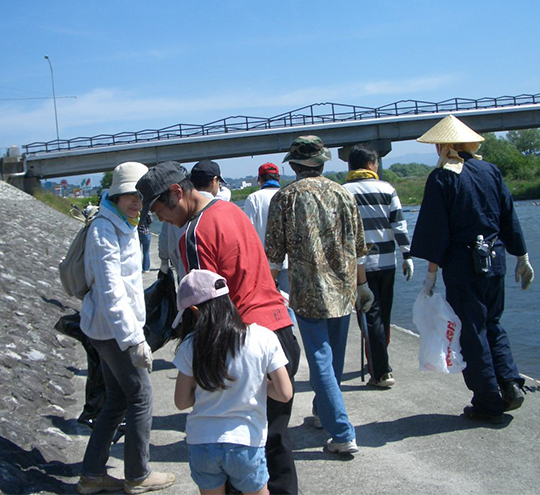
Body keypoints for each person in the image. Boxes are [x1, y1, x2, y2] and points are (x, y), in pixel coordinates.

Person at [137, 161, 301, 495]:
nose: (162, 221)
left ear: (176, 192)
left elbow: (207, 303)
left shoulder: (193, 235)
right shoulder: (231, 210)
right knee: (275, 441)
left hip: (240, 343)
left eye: (159, 211)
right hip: (279, 333)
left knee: (239, 448)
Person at [409, 114, 535, 425]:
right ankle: (509, 383)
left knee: (473, 332)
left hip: (464, 266)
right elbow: (508, 217)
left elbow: (436, 232)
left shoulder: (443, 177)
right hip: (495, 261)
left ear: (445, 144)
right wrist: (522, 255)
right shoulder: (490, 171)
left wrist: (430, 275)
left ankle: (487, 404)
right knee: (492, 323)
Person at [265, 135, 374, 455]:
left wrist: (268, 290)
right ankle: (322, 413)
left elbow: (273, 255)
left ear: (295, 164)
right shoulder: (344, 194)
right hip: (343, 287)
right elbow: (359, 247)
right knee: (334, 358)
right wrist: (363, 285)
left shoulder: (285, 197)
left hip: (308, 290)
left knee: (321, 360)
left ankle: (342, 431)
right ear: (323, 162)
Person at [77, 161, 175, 495]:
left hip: (110, 329)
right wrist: (134, 341)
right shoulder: (104, 230)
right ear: (116, 195)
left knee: (117, 399)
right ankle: (137, 474)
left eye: (141, 195)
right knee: (141, 396)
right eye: (129, 195)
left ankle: (92, 475)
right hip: (112, 331)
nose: (136, 201)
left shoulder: (123, 222)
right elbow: (110, 292)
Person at [173, 269, 292, 495]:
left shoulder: (191, 345)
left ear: (194, 311)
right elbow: (285, 393)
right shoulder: (263, 338)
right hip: (246, 443)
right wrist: (260, 384)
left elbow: (181, 402)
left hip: (202, 443)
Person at [343, 144, 414, 388]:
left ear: (350, 166)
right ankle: (381, 364)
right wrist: (407, 255)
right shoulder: (387, 189)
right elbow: (400, 226)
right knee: (383, 315)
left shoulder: (343, 192)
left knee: (369, 315)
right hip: (386, 263)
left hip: (357, 269)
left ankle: (380, 370)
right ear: (372, 164)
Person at [243, 162, 291, 294]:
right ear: (278, 178)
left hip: (265, 264)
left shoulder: (253, 199)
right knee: (290, 303)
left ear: (259, 180)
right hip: (289, 261)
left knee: (270, 302)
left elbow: (248, 233)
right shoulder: (288, 196)